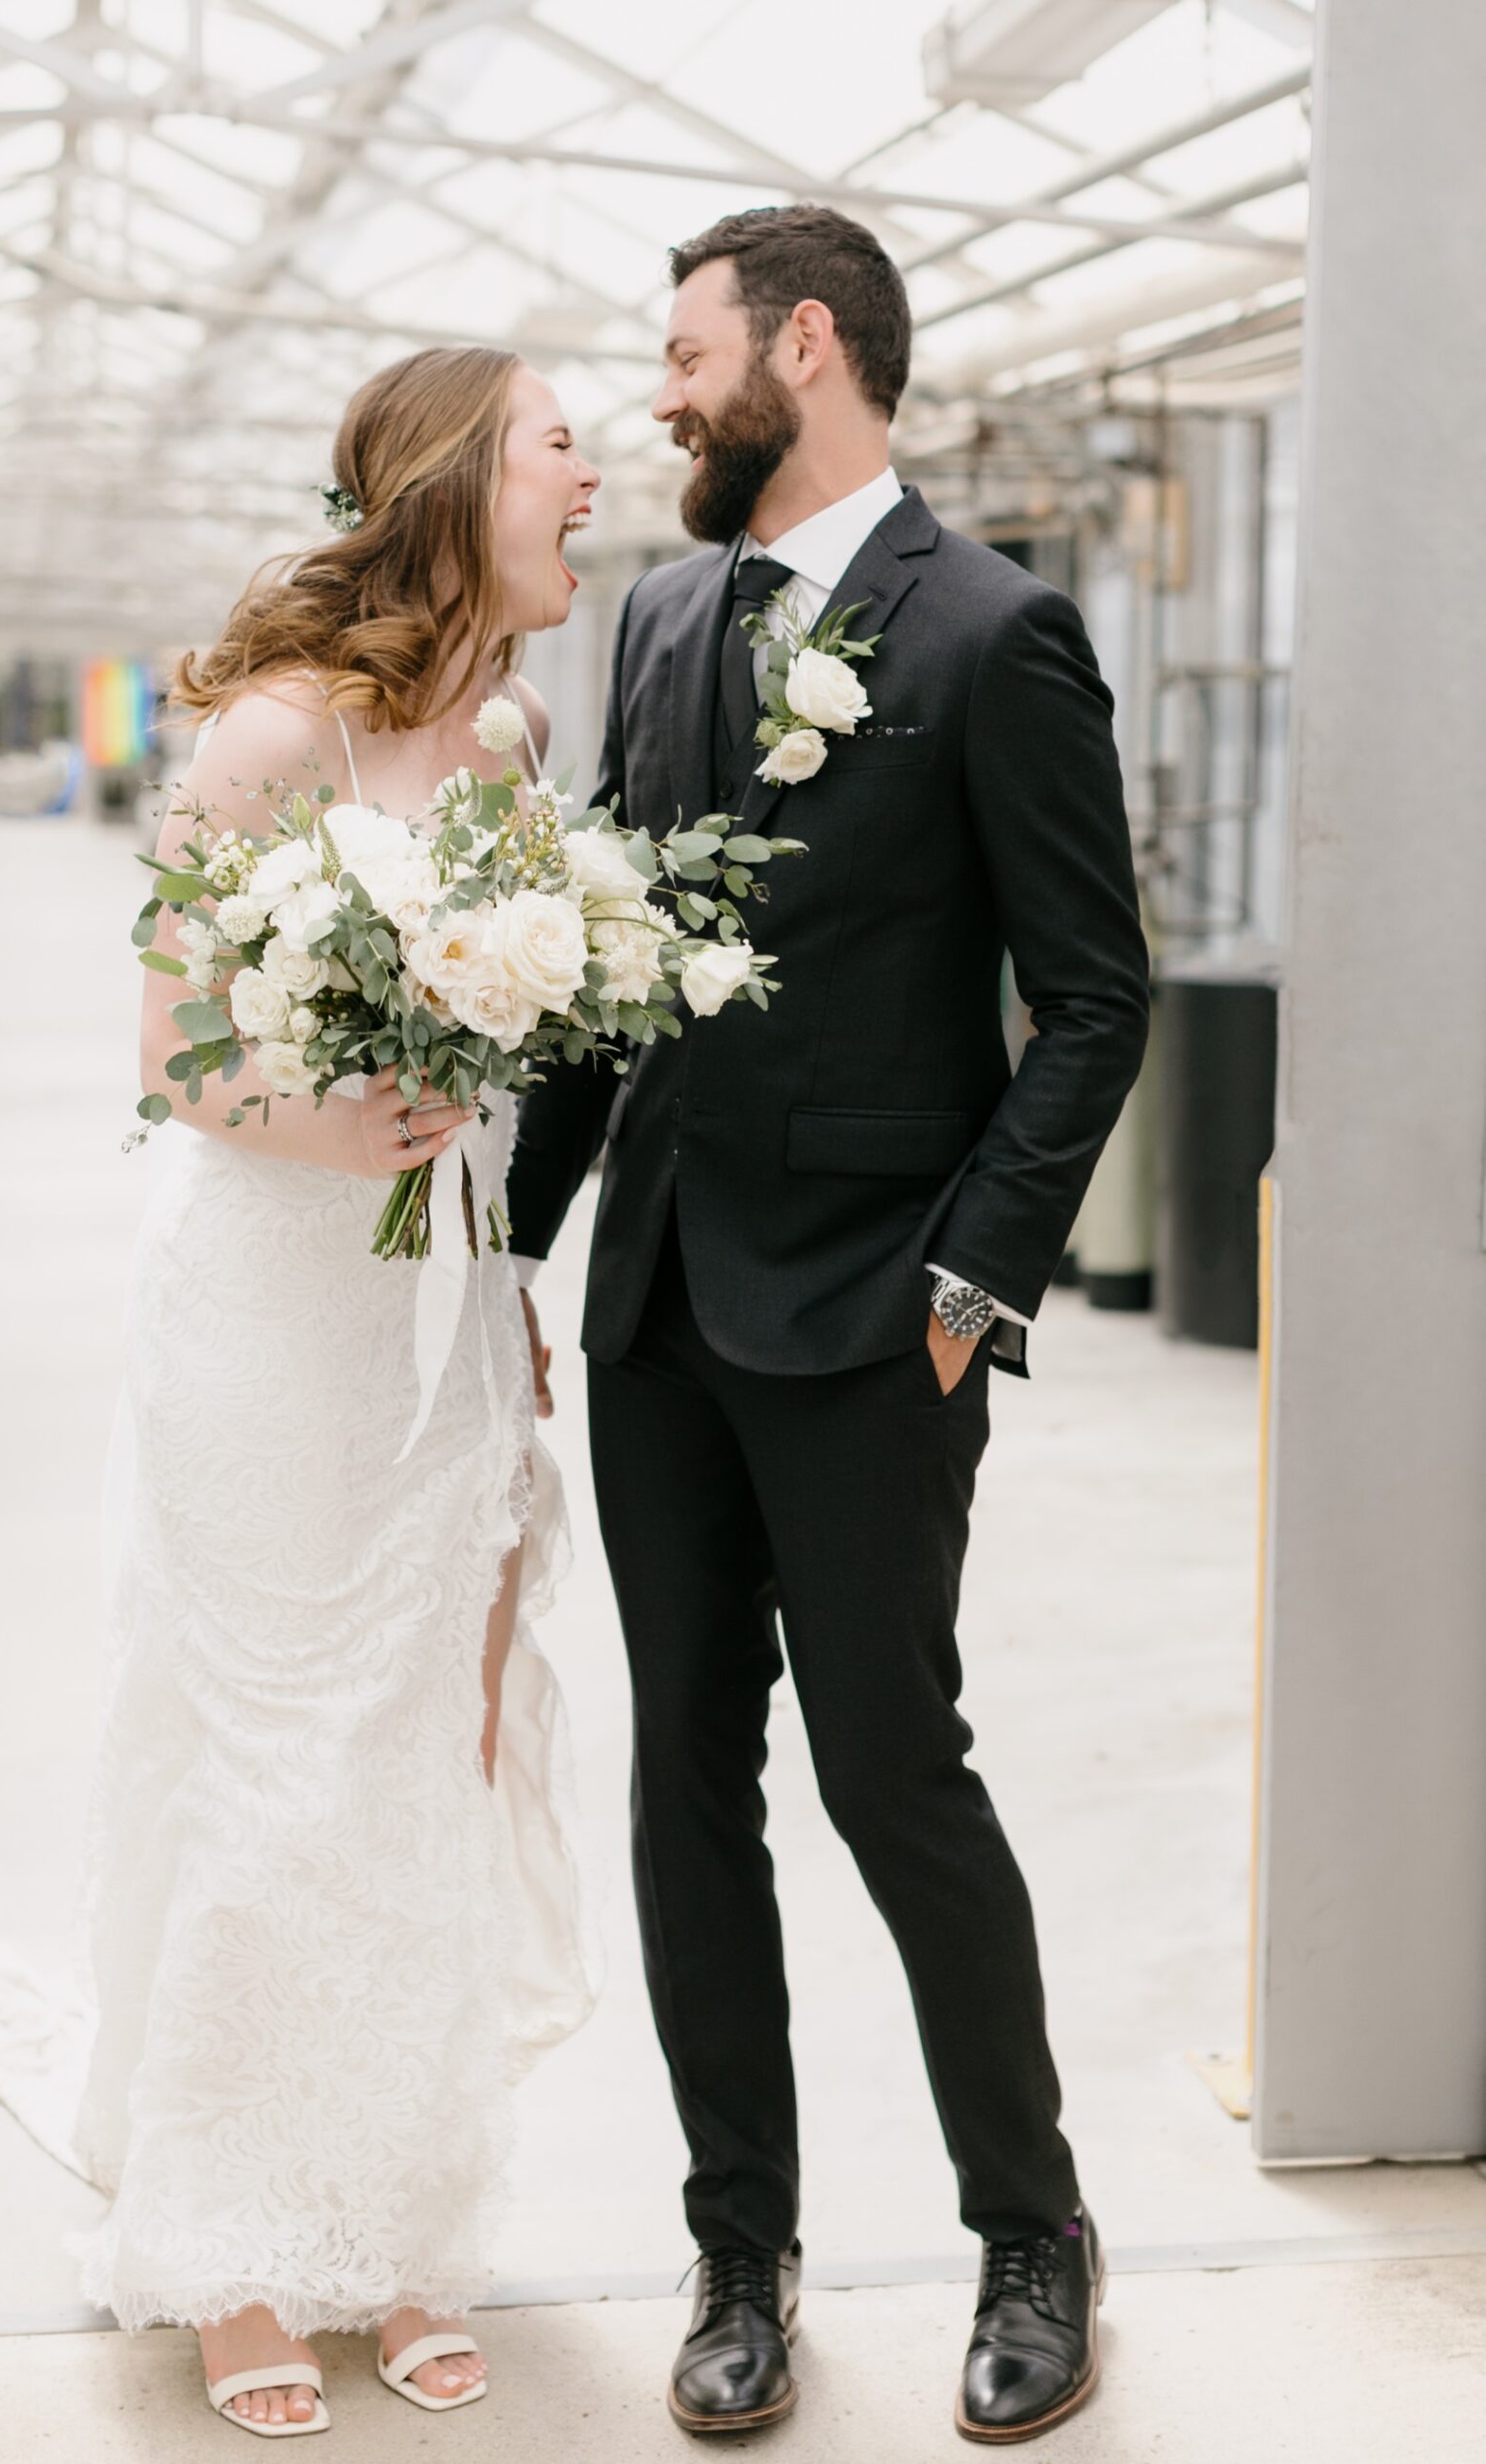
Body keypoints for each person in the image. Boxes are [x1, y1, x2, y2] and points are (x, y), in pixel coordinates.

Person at [506, 205, 1151, 2446]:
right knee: (683, 1781)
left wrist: (967, 1285)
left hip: (878, 1326)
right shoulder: (661, 610)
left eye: (683, 353)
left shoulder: (994, 633)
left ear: (802, 345)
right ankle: (737, 2253)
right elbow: (613, 952)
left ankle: (1031, 2229)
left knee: (891, 1776)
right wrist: (507, 1234)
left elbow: (1089, 1002)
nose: (660, 395)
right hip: (661, 1309)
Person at [76, 346, 600, 2438]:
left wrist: (491, 1253)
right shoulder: (270, 735)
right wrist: (341, 1130)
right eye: (558, 437)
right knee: (276, 1741)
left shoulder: (511, 742)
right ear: (459, 482)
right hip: (271, 1314)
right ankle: (223, 2247)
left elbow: (507, 1045)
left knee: (422, 1751)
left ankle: (399, 2214)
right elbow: (170, 1057)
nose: (592, 465)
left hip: (442, 1306)